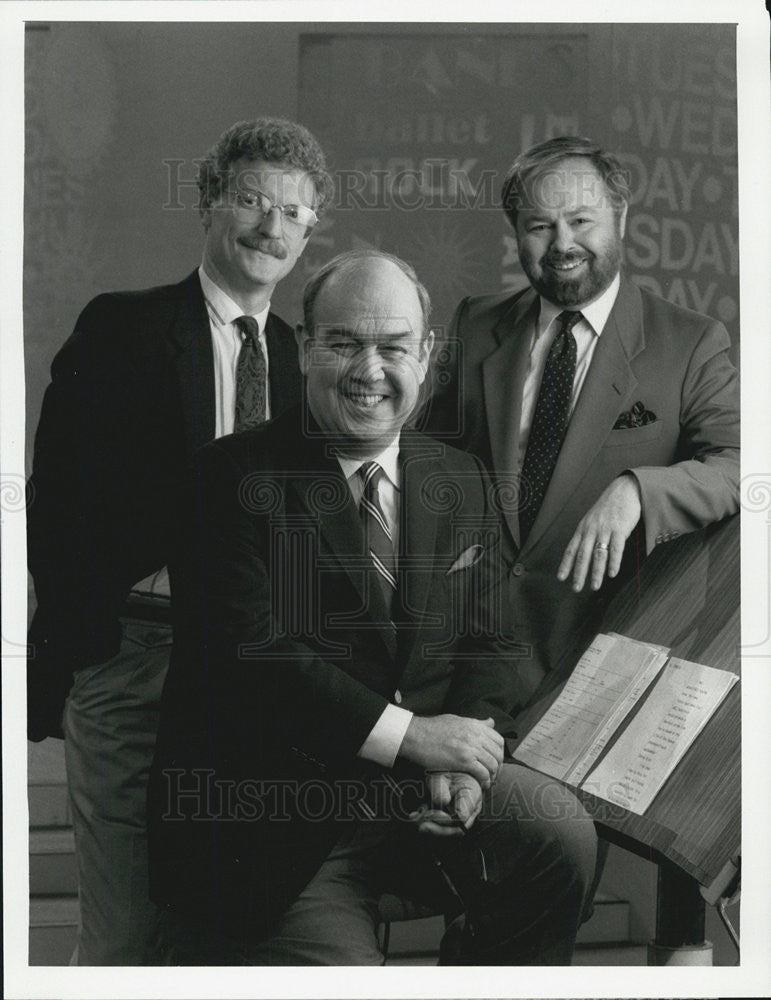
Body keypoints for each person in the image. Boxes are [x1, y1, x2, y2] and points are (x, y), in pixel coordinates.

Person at [147, 249, 598, 965]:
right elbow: (248, 654)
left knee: (557, 837)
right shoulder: (225, 477)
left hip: (425, 799)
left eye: (392, 347)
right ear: (304, 350)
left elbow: (490, 640)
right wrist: (415, 738)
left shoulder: (460, 478)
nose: (368, 370)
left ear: (425, 356)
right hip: (280, 826)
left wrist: (464, 758)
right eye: (343, 344)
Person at [26, 117, 333, 964]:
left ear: (310, 233)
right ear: (207, 202)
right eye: (251, 201)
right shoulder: (123, 330)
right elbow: (56, 499)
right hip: (136, 655)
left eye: (294, 213)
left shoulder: (301, 359)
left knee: (215, 921)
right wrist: (86, 647)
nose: (271, 227)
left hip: (250, 672)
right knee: (126, 929)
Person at [427, 135, 739, 700]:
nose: (562, 243)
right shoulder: (474, 324)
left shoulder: (691, 342)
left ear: (621, 217)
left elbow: (743, 464)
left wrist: (638, 490)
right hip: (461, 665)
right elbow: (420, 461)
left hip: (598, 670)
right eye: (539, 225)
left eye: (580, 220)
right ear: (517, 232)